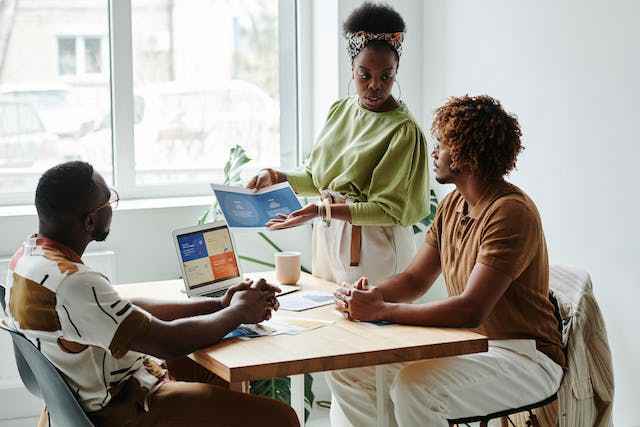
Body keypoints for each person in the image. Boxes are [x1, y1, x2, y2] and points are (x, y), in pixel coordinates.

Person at [2, 161, 298, 427]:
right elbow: (166, 342)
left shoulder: (29, 260)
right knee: (281, 418)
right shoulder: (73, 284)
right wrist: (238, 313)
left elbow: (126, 309)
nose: (112, 205)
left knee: (218, 378)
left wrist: (218, 304)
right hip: (120, 410)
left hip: (82, 399)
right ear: (90, 221)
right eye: (109, 200)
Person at [330, 95, 566, 426]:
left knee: (417, 389)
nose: (435, 152)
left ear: (465, 155)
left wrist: (381, 311)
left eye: (441, 143)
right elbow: (414, 279)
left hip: (524, 356)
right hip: (472, 345)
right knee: (351, 369)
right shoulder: (453, 204)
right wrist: (371, 295)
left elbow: (471, 309)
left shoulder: (510, 213)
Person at [247, 2, 429, 286]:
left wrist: (322, 211)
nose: (375, 85)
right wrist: (276, 176)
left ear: (397, 71)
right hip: (329, 235)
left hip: (373, 243)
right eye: (364, 74)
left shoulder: (403, 131)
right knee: (330, 320)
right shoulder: (340, 111)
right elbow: (316, 178)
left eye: (386, 76)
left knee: (376, 327)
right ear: (352, 68)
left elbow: (386, 210)